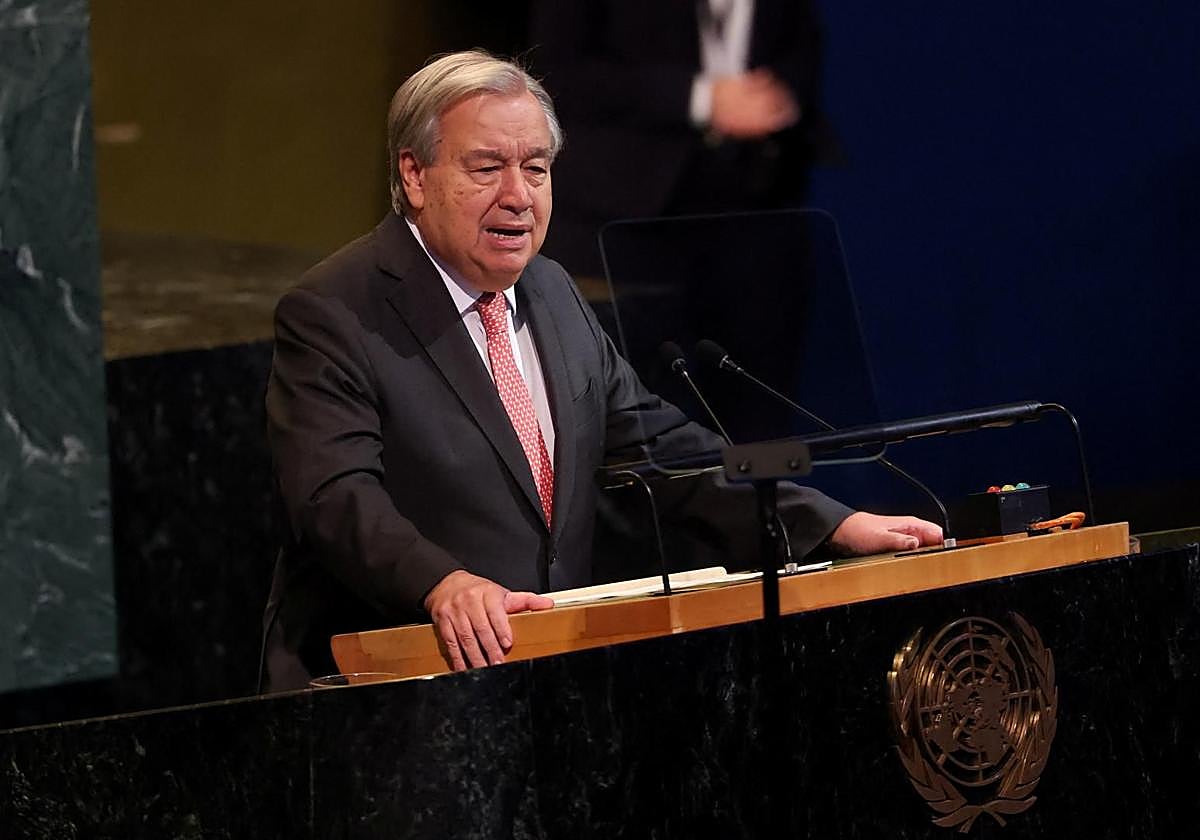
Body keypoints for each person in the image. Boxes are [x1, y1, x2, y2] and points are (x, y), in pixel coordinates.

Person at [260, 50, 939, 691]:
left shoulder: (552, 292)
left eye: (535, 167)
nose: (518, 195)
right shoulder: (337, 310)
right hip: (386, 692)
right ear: (414, 175)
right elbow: (333, 496)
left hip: (542, 683)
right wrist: (442, 583)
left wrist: (830, 525)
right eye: (486, 166)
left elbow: (664, 451)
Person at [529, 0, 839, 278]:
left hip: (763, 205)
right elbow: (557, 71)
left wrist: (775, 97)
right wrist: (702, 99)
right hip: (626, 213)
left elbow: (801, 43)